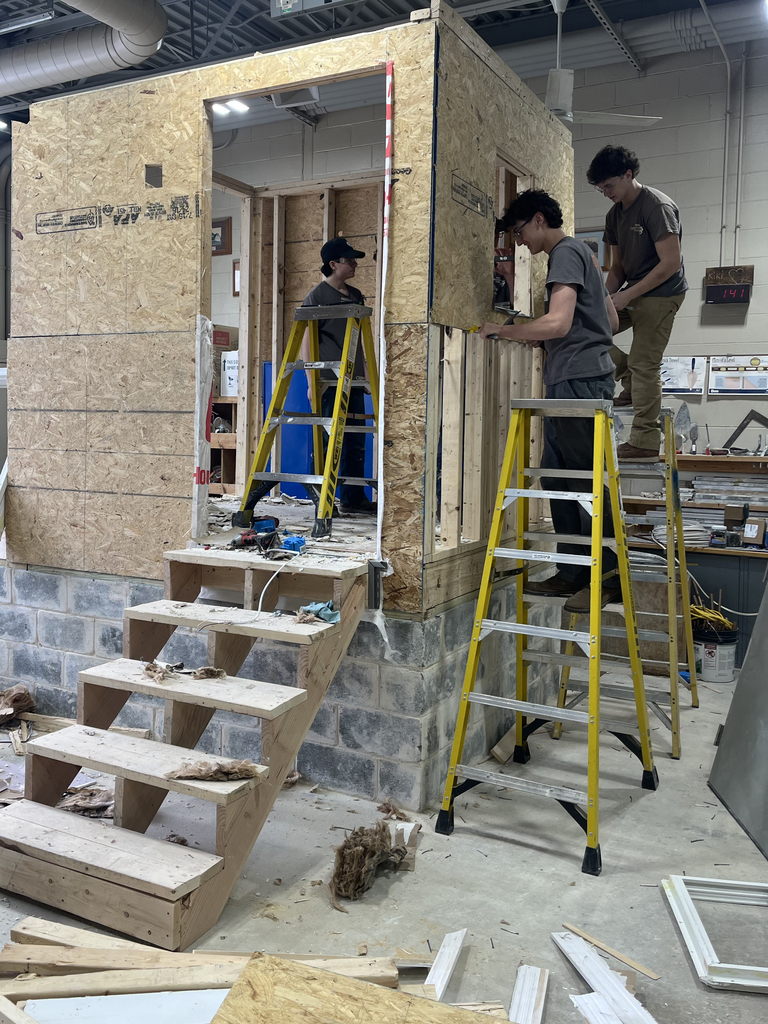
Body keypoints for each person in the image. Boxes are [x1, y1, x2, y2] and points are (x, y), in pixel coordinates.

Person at [478, 189, 620, 612]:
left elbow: (558, 323)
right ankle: (572, 572)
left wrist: (500, 330)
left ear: (539, 220)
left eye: (520, 231)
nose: (521, 242)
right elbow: (610, 319)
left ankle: (607, 577)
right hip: (573, 378)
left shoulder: (565, 252)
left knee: (585, 481)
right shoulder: (584, 255)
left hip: (579, 381)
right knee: (558, 477)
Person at [587, 145, 687, 462]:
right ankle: (628, 382)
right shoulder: (614, 215)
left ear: (628, 175)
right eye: (600, 188)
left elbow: (670, 263)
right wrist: (603, 300)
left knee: (646, 363)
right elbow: (617, 268)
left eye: (609, 186)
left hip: (663, 291)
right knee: (586, 331)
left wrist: (627, 295)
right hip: (634, 289)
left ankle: (644, 441)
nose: (605, 193)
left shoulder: (656, 207)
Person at [301, 238, 375, 514]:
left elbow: (360, 337)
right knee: (327, 437)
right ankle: (322, 499)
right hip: (328, 380)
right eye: (349, 260)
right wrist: (311, 382)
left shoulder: (355, 295)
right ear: (333, 264)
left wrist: (366, 375)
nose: (354, 264)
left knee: (355, 438)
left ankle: (353, 497)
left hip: (353, 378)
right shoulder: (317, 297)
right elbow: (306, 340)